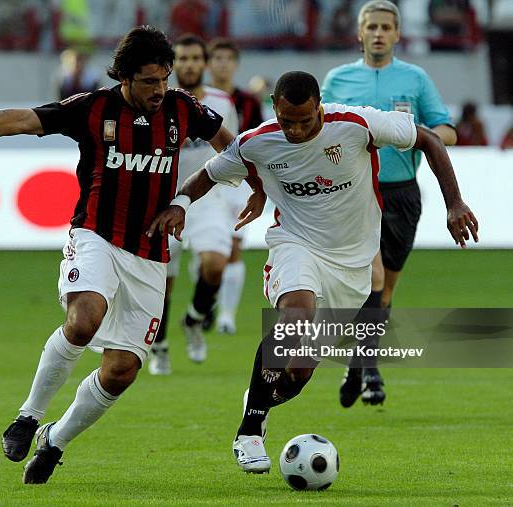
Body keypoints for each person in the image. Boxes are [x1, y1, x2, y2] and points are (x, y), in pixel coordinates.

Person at [0, 26, 260, 485]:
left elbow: (229, 146)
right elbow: (22, 120)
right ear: (125, 77)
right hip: (96, 233)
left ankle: (54, 440)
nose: (160, 90)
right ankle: (28, 416)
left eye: (164, 79)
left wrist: (227, 191)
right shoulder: (93, 107)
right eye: (149, 82)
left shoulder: (183, 108)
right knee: (84, 320)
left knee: (121, 371)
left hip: (150, 254)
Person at [148, 70, 478, 474]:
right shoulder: (260, 140)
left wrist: (455, 203)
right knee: (296, 320)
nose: (297, 130)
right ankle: (250, 431)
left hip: (352, 265)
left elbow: (427, 138)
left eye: (306, 120)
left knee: (296, 376)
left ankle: (261, 397)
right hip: (296, 245)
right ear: (276, 108)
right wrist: (181, 202)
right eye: (288, 121)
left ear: (320, 108)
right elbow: (210, 173)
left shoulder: (356, 124)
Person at [321, 0, 458, 408]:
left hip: (403, 192)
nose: (379, 33)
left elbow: (445, 130)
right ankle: (368, 368)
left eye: (386, 27)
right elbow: (317, 125)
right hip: (354, 193)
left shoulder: (415, 79)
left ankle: (359, 362)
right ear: (360, 33)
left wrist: (414, 134)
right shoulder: (338, 78)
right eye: (372, 27)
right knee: (372, 277)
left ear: (397, 34)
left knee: (386, 287)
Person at [148, 34, 239, 375]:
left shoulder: (221, 102)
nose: (188, 65)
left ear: (205, 63)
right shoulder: (158, 101)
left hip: (205, 198)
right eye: (181, 59)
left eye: (194, 59)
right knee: (162, 284)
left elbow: (232, 150)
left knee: (215, 266)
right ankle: (159, 347)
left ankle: (194, 321)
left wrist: (239, 193)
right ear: (173, 66)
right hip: (161, 202)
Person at [207, 37, 264, 335]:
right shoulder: (197, 100)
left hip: (238, 182)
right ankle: (207, 302)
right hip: (206, 179)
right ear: (208, 63)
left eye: (228, 59)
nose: (223, 64)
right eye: (217, 58)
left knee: (234, 245)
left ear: (235, 64)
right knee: (209, 249)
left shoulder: (248, 102)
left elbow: (259, 141)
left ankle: (226, 314)